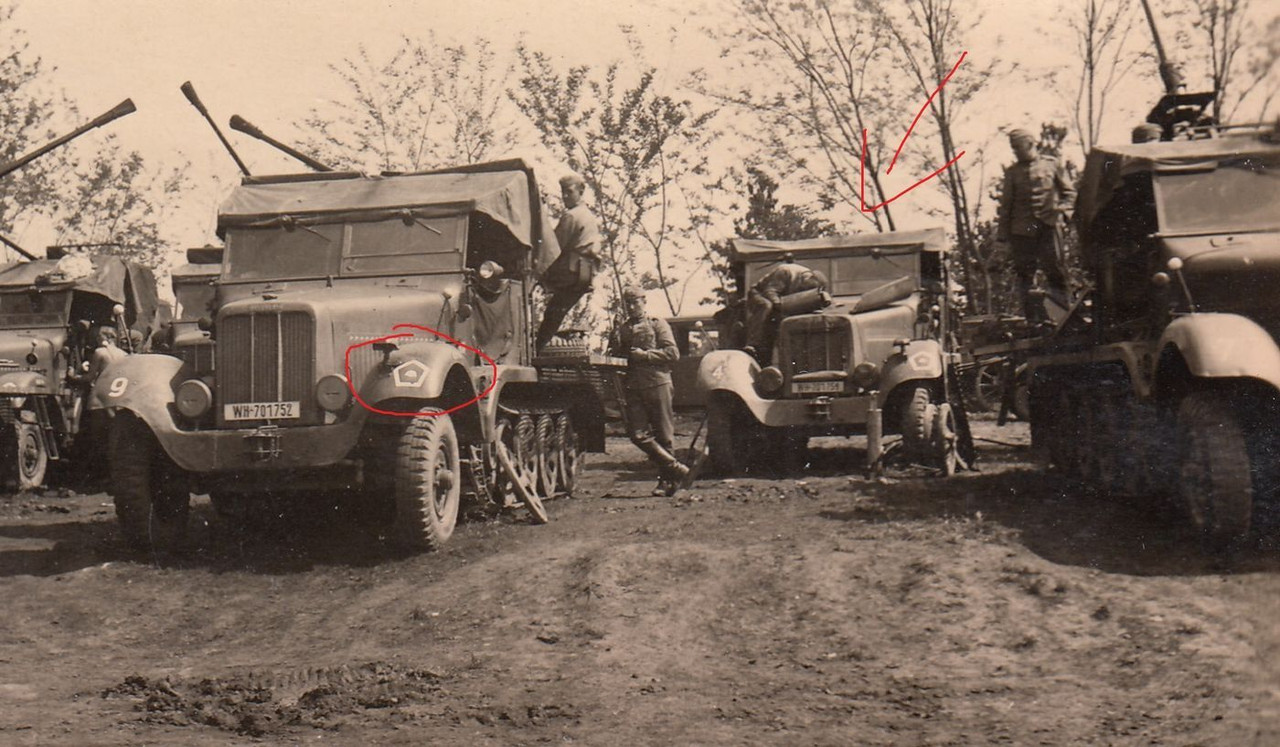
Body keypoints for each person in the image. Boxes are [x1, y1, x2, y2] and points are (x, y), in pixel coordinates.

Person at [609, 286, 689, 496]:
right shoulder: (623, 328)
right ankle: (677, 469)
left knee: (664, 435)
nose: (632, 307)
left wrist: (645, 356)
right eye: (628, 303)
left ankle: (666, 483)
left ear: (644, 302)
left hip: (658, 383)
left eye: (636, 302)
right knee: (637, 434)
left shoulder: (657, 323)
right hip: (634, 386)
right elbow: (617, 356)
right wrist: (614, 337)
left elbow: (673, 353)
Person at [996, 128, 1076, 324]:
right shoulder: (1012, 172)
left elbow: (1070, 193)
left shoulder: (1052, 164)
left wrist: (1063, 213)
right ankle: (1033, 320)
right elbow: (1006, 206)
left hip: (1048, 225)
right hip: (1022, 230)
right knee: (1025, 275)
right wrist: (1002, 237)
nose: (1016, 152)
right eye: (1013, 149)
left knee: (1056, 271)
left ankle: (1064, 315)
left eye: (1019, 148)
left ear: (1031, 145)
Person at [536, 173, 602, 351]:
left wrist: (539, 276)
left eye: (569, 192)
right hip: (583, 274)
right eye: (563, 192)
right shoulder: (588, 215)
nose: (565, 196)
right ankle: (540, 347)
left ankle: (537, 351)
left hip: (570, 274)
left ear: (581, 191)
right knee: (555, 312)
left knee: (551, 314)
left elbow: (553, 246)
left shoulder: (572, 216)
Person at [743, 255, 828, 363]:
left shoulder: (807, 282)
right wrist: (779, 304)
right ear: (810, 278)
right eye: (809, 288)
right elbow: (770, 291)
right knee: (766, 306)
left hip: (781, 300)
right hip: (759, 294)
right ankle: (752, 343)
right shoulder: (786, 271)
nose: (807, 291)